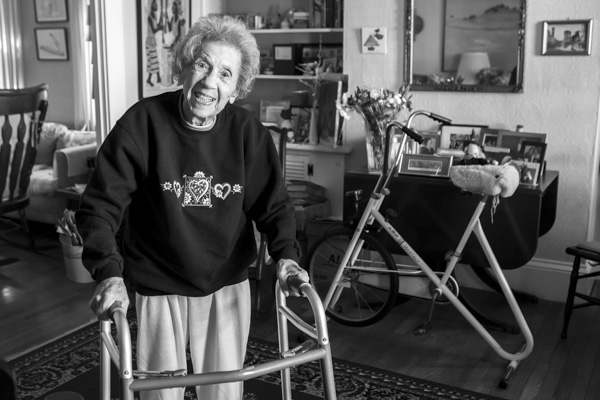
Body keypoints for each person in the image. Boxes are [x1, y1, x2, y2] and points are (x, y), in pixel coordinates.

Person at [76, 15, 309, 400]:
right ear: (184, 68)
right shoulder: (142, 123)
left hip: (226, 279)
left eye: (225, 74)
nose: (209, 82)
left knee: (224, 391)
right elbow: (100, 205)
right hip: (158, 278)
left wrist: (286, 256)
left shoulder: (246, 132)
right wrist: (108, 273)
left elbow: (274, 204)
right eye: (203, 65)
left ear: (236, 90)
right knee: (159, 392)